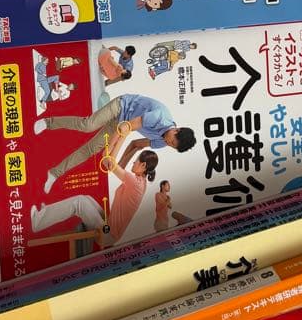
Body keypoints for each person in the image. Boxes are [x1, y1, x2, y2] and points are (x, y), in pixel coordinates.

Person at [33, 92, 196, 194]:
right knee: (88, 125)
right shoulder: (159, 117)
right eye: (172, 140)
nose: (168, 143)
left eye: (172, 146)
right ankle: (48, 122)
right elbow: (127, 127)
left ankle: (54, 173)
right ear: (176, 130)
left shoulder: (162, 143)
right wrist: (111, 154)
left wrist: (120, 166)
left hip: (121, 123)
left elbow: (136, 144)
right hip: (121, 107)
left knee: (91, 150)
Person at [30, 150, 158, 246]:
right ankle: (47, 212)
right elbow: (118, 163)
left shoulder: (134, 182)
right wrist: (132, 144)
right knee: (86, 198)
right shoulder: (141, 182)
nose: (134, 162)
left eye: (136, 160)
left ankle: (38, 221)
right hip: (109, 226)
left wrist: (121, 133)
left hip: (107, 235)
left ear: (143, 165)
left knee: (79, 202)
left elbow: (108, 161)